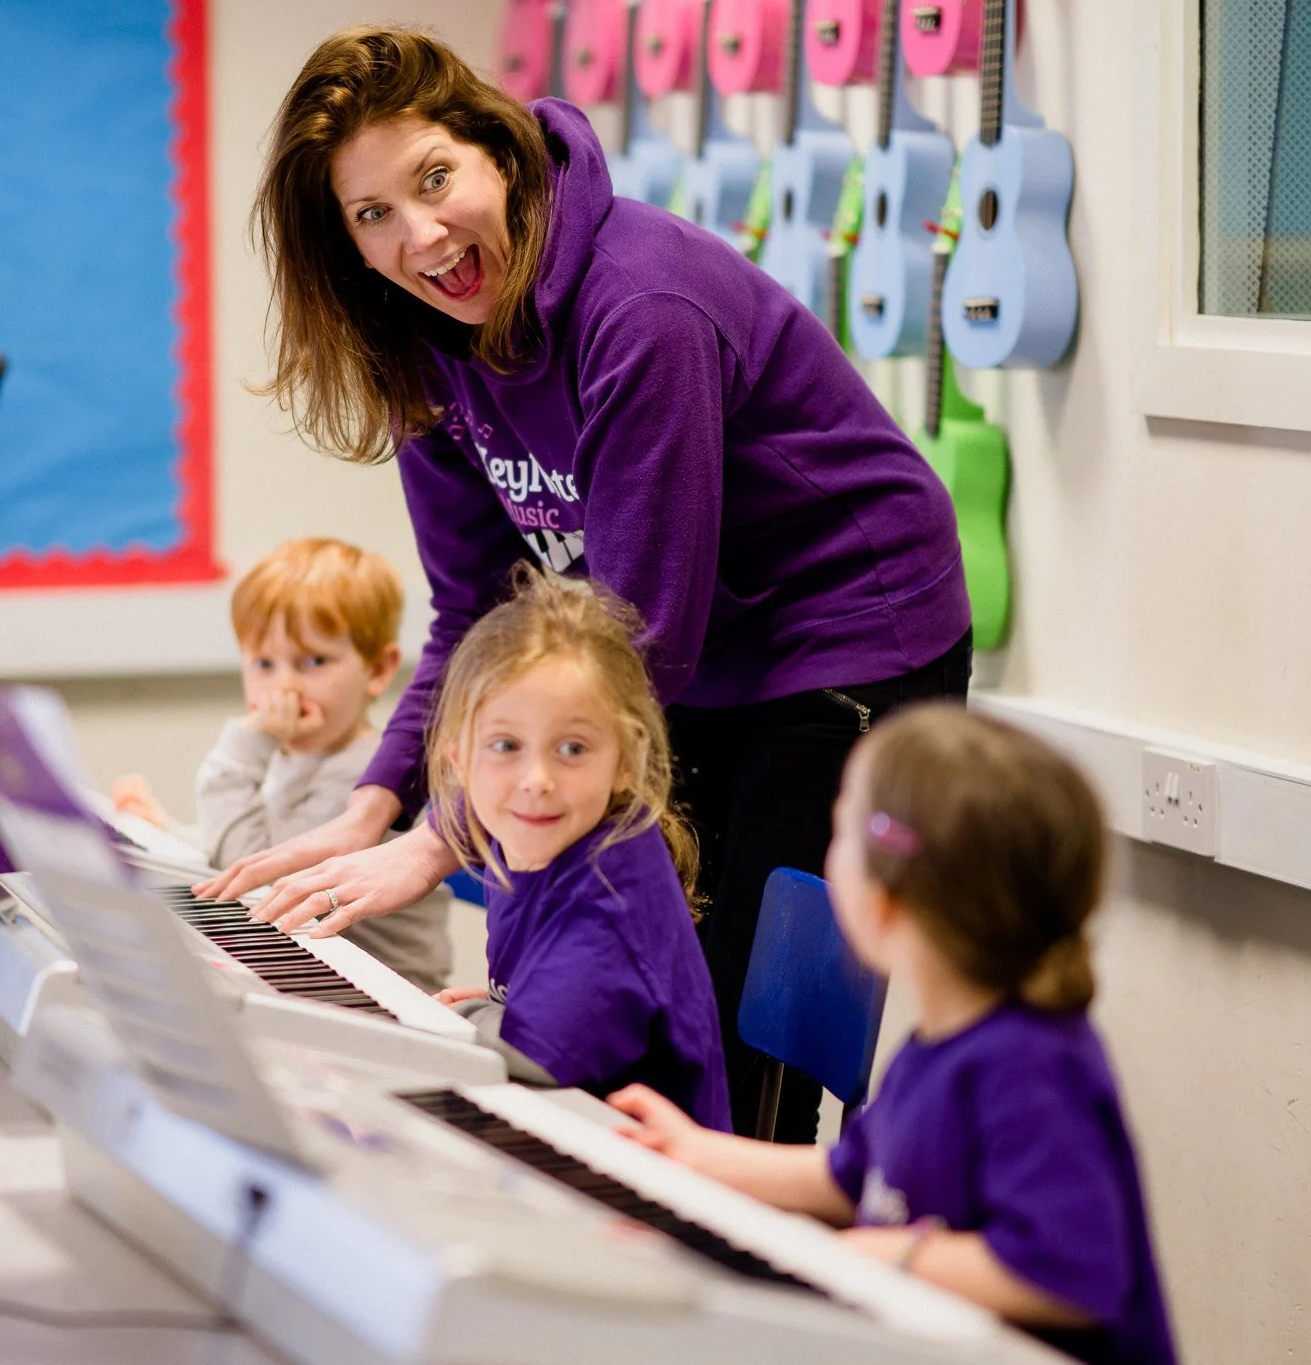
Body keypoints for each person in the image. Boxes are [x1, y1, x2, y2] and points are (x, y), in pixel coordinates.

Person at [199, 27, 972, 1139]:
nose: (421, 235)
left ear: (496, 155)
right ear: (348, 249)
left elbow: (636, 643)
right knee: (619, 981)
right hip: (673, 646)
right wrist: (376, 805)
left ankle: (741, 1258)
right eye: (372, 214)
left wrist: (434, 843)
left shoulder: (642, 309)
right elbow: (477, 618)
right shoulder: (426, 350)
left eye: (433, 179)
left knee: (734, 1024)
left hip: (845, 635)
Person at [609, 706, 1178, 1365]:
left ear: (886, 898)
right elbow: (853, 1177)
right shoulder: (939, 1043)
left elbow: (1066, 1273)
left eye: (841, 827)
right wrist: (695, 1151)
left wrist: (874, 1254)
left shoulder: (1032, 1065)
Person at [423, 568, 726, 1126]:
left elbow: (528, 1061)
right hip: (565, 1130)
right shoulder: (537, 835)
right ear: (457, 759)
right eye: (506, 744)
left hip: (639, 1183)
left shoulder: (609, 895)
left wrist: (481, 1017)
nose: (537, 778)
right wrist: (511, 1008)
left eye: (573, 747)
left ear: (626, 761)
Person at [115, 538, 452, 991]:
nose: (285, 686)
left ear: (377, 669)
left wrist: (246, 741)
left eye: (313, 661)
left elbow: (254, 879)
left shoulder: (365, 783)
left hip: (381, 995)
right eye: (264, 663)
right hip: (312, 975)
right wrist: (169, 832)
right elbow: (256, 849)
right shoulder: (294, 756)